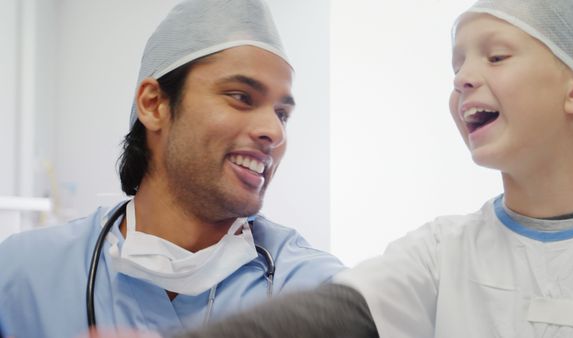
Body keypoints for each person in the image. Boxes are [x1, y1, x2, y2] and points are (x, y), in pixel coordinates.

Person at [169, 0, 573, 337]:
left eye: (496, 56)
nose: (462, 78)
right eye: (457, 64)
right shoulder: (442, 251)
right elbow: (340, 315)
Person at [0, 0, 345, 337]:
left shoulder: (316, 290)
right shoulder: (21, 275)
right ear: (154, 104)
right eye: (241, 97)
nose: (275, 131)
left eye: (282, 114)